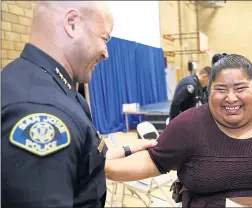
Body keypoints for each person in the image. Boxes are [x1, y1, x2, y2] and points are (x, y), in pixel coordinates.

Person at [105, 54, 252, 208]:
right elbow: (150, 163)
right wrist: (104, 164)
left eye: (240, 88)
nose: (230, 98)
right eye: (220, 89)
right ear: (208, 94)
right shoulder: (188, 125)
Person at [1, 1, 155, 207]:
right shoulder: (42, 112)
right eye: (104, 39)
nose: (106, 53)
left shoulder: (45, 86)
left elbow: (83, 159)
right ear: (72, 24)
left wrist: (129, 149)